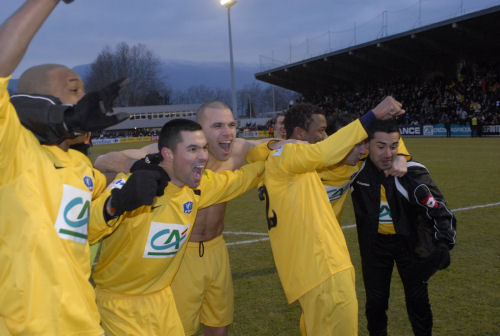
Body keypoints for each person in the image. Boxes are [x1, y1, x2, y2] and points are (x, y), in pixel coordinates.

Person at [0, 0, 149, 334]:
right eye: (73, 90)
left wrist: (116, 202)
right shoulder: (12, 148)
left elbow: (85, 215)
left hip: (82, 319)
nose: (84, 98)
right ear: (39, 100)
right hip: (24, 326)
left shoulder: (77, 166)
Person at [94, 100, 274, 336]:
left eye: (232, 124)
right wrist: (132, 179)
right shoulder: (149, 169)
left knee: (218, 324)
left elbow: (257, 163)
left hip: (193, 270)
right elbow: (101, 165)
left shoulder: (221, 167)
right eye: (218, 125)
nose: (227, 132)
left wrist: (287, 149)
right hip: (154, 276)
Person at [254, 99, 405, 335]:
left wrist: (401, 156)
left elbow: (381, 143)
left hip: (308, 272)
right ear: (300, 133)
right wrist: (373, 114)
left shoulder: (288, 160)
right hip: (324, 267)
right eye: (321, 131)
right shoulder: (293, 155)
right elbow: (324, 152)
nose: (326, 137)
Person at [350, 119, 457, 336]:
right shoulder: (354, 171)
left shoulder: (412, 172)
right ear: (367, 144)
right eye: (381, 146)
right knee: (376, 303)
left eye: (393, 146)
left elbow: (440, 209)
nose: (388, 153)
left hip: (410, 244)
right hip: (374, 247)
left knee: (418, 300)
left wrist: (444, 243)